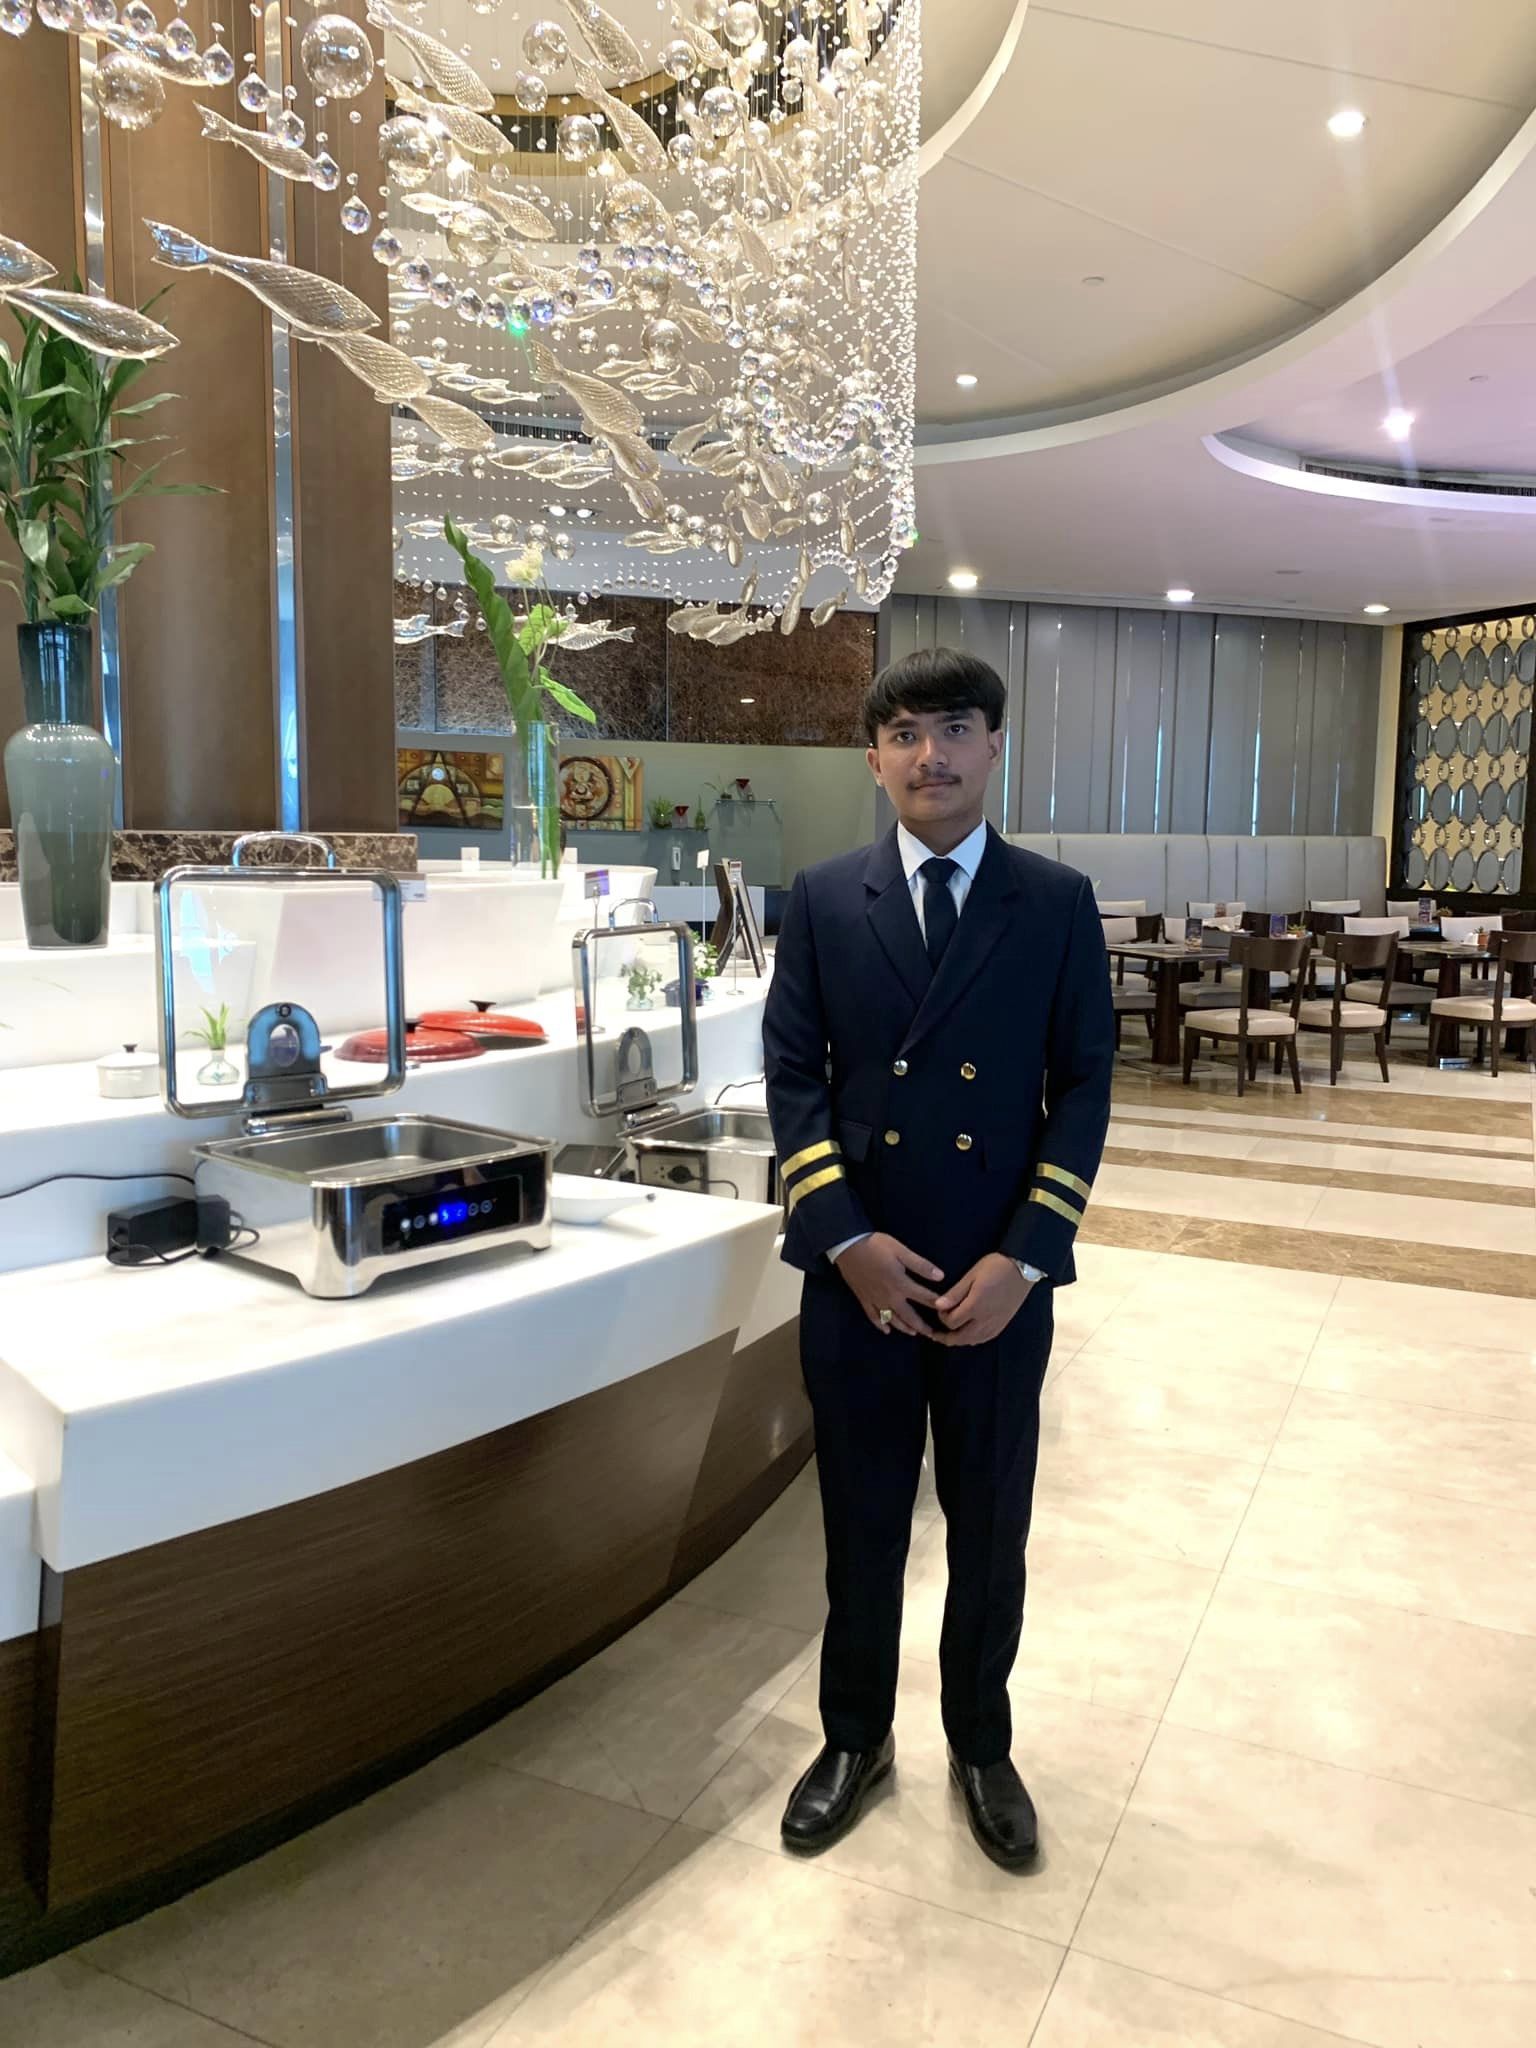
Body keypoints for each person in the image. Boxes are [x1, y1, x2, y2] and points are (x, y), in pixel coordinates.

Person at [763, 645, 1113, 1868]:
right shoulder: (824, 896)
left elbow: (1084, 1087)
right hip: (860, 1279)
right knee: (860, 1526)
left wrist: (1028, 1256)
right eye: (905, 732)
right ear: (874, 758)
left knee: (989, 1529)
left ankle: (981, 1743)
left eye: (956, 727)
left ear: (994, 746)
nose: (932, 753)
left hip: (991, 1280)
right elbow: (792, 1078)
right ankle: (853, 1737)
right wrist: (845, 1237)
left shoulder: (1054, 900)